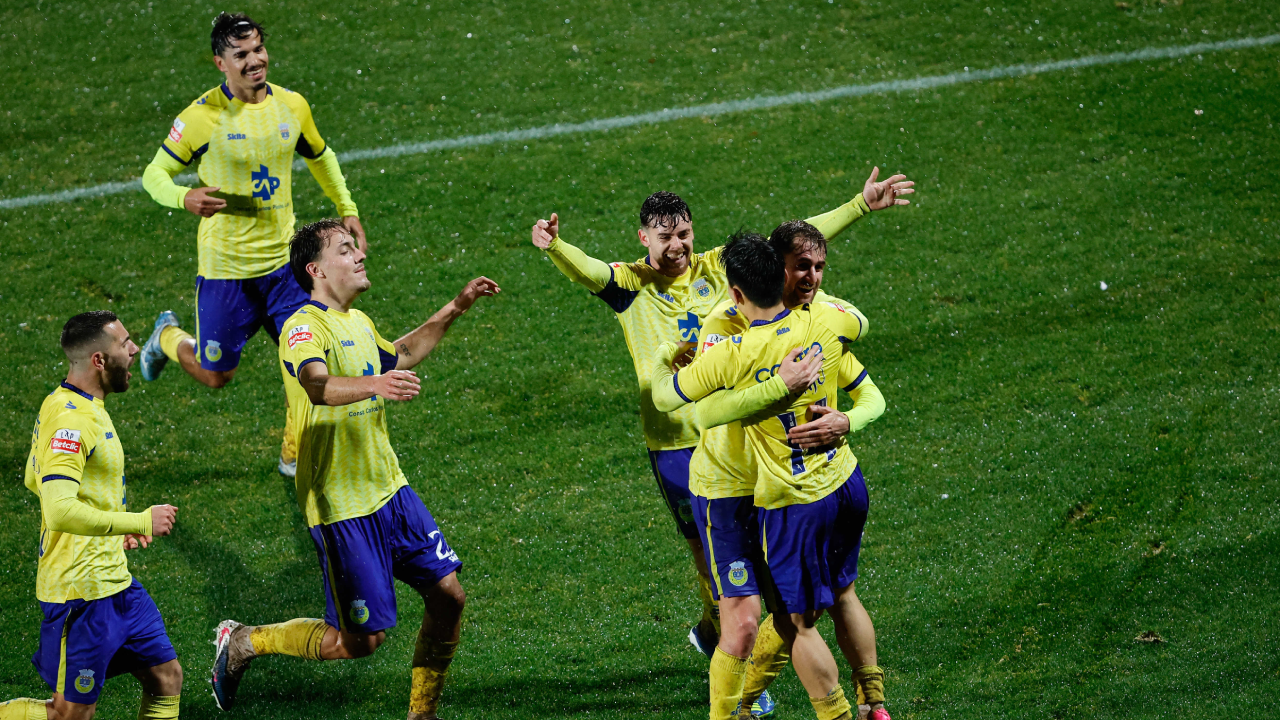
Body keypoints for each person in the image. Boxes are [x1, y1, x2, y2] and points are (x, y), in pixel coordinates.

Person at [529, 168, 909, 670]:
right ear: (644, 238)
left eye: (683, 234)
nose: (677, 246)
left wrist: (859, 205)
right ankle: (739, 655)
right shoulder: (632, 285)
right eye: (664, 237)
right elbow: (590, 271)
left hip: (740, 437)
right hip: (677, 448)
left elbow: (790, 244)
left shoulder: (719, 270)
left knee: (762, 560)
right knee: (714, 562)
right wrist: (555, 246)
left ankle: (722, 639)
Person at [209, 219, 499, 720]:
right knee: (359, 642)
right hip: (341, 507)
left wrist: (457, 305)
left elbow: (402, 354)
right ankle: (243, 642)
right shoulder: (303, 326)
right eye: (346, 250)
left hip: (390, 490)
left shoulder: (359, 322)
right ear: (316, 269)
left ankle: (421, 713)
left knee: (449, 597)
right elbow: (317, 385)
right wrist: (377, 386)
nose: (360, 255)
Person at [651, 228, 891, 720]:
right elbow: (860, 325)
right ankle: (870, 703)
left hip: (788, 497)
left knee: (794, 618)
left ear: (739, 289)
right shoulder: (819, 325)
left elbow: (687, 410)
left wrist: (663, 361)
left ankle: (825, 712)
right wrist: (832, 409)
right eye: (802, 267)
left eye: (817, 269)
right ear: (779, 273)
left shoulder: (742, 348)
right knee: (770, 617)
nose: (811, 278)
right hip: (798, 482)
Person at [139, 12, 363, 478]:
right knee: (216, 376)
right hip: (226, 271)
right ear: (221, 62)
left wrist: (347, 206)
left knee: (310, 365)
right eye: (241, 54)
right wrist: (184, 196)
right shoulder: (199, 118)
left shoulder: (292, 106)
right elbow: (153, 176)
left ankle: (292, 452)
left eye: (258, 49)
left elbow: (320, 156)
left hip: (284, 268)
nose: (254, 61)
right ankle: (166, 336)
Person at [2, 311, 181, 720]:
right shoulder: (72, 419)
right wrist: (137, 521)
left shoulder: (69, 402)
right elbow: (60, 509)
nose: (135, 349)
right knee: (71, 714)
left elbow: (35, 475)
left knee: (166, 679)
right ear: (99, 360)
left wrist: (107, 526)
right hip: (79, 594)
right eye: (124, 343)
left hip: (116, 584)